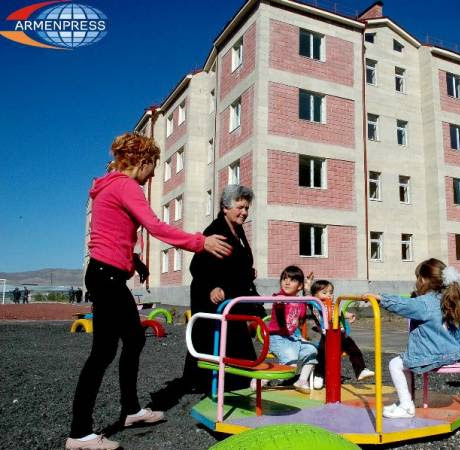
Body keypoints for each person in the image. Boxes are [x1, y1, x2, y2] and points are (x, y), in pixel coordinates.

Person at [66, 132, 232, 450]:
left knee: (134, 339)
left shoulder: (108, 186)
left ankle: (131, 410)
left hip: (106, 274)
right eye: (153, 166)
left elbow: (110, 233)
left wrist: (135, 261)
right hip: (107, 277)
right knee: (103, 353)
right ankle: (79, 433)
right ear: (142, 161)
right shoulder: (126, 186)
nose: (153, 174)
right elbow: (156, 226)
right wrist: (201, 242)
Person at [182, 184, 266, 394]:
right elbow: (196, 266)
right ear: (225, 207)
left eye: (246, 208)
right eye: (240, 207)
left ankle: (233, 378)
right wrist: (211, 287)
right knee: (214, 336)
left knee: (231, 334)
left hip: (232, 294)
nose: (244, 212)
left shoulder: (237, 230)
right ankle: (230, 379)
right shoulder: (215, 231)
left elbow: (236, 261)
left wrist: (248, 272)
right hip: (211, 295)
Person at [367, 258, 460, 419]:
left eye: (417, 278)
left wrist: (381, 299)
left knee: (395, 364)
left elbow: (403, 305)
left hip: (434, 355)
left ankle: (406, 406)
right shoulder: (447, 298)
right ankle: (406, 401)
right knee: (405, 361)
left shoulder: (424, 303)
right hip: (453, 353)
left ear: (423, 280)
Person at [309, 280, 374, 389]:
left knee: (354, 350)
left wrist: (349, 315)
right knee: (322, 354)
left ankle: (360, 370)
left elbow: (339, 312)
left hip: (340, 333)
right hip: (327, 335)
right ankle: (319, 375)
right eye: (324, 293)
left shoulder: (333, 305)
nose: (329, 295)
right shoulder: (316, 305)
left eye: (331, 292)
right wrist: (307, 287)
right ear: (315, 296)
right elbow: (309, 299)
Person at [267, 266, 318, 394]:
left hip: (292, 338)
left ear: (299, 286)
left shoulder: (301, 301)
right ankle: (262, 378)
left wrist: (307, 287)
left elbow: (310, 302)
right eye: (284, 279)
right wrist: (280, 302)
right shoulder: (279, 297)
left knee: (311, 351)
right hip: (278, 337)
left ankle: (302, 381)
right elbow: (278, 305)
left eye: (292, 280)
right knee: (291, 365)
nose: (287, 282)